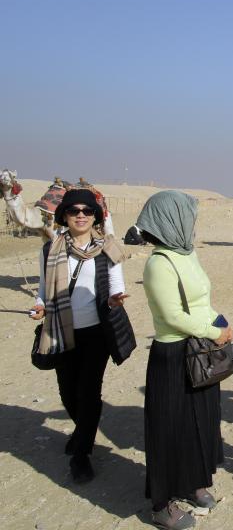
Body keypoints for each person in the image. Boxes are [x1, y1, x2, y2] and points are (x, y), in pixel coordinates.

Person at [138, 191, 233, 530]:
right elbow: (173, 315)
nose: (192, 223)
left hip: (199, 350)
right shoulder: (158, 263)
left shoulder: (187, 254)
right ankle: (161, 506)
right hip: (174, 355)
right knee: (169, 429)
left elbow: (200, 298)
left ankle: (193, 483)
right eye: (186, 216)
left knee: (202, 422)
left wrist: (219, 321)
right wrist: (212, 331)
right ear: (171, 220)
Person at [29, 189, 130, 484]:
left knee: (89, 392)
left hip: (96, 333)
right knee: (66, 392)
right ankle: (82, 431)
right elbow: (43, 289)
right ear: (65, 216)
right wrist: (38, 307)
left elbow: (115, 284)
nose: (81, 215)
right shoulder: (50, 250)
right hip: (60, 330)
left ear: (95, 216)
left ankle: (82, 454)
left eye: (87, 210)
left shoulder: (107, 248)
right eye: (74, 211)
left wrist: (114, 300)